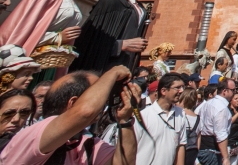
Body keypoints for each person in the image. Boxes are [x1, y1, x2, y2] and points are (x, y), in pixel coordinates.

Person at [0, 66, 140, 164]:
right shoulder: (35, 134)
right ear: (73, 103)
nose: (103, 101)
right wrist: (112, 73)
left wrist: (125, 120)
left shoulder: (85, 145)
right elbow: (85, 112)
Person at [70, 0, 157, 74]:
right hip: (102, 70)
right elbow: (89, 40)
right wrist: (121, 45)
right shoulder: (112, 2)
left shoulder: (141, 9)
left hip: (124, 71)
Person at [198, 77, 237, 165]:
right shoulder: (221, 108)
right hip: (213, 152)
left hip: (203, 150)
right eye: (233, 90)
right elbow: (221, 134)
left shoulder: (207, 104)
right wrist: (226, 158)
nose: (235, 92)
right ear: (224, 91)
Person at [178, 87, 201, 165]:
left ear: (183, 100)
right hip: (191, 157)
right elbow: (198, 143)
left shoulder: (179, 115)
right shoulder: (198, 119)